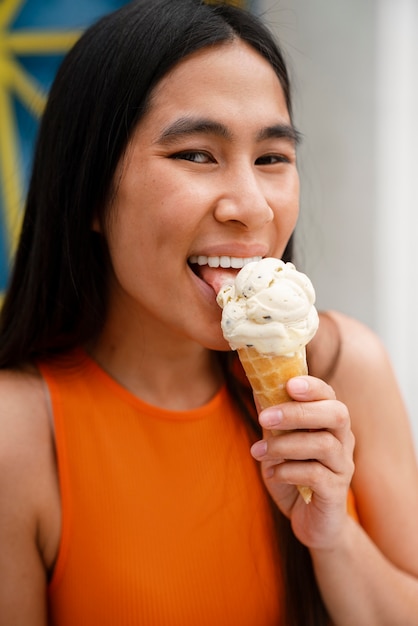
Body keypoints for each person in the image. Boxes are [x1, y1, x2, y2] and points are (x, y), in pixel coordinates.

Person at [0, 0, 417, 624]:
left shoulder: (343, 370)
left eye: (272, 158)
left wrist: (332, 538)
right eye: (196, 154)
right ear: (88, 189)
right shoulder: (17, 436)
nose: (251, 206)